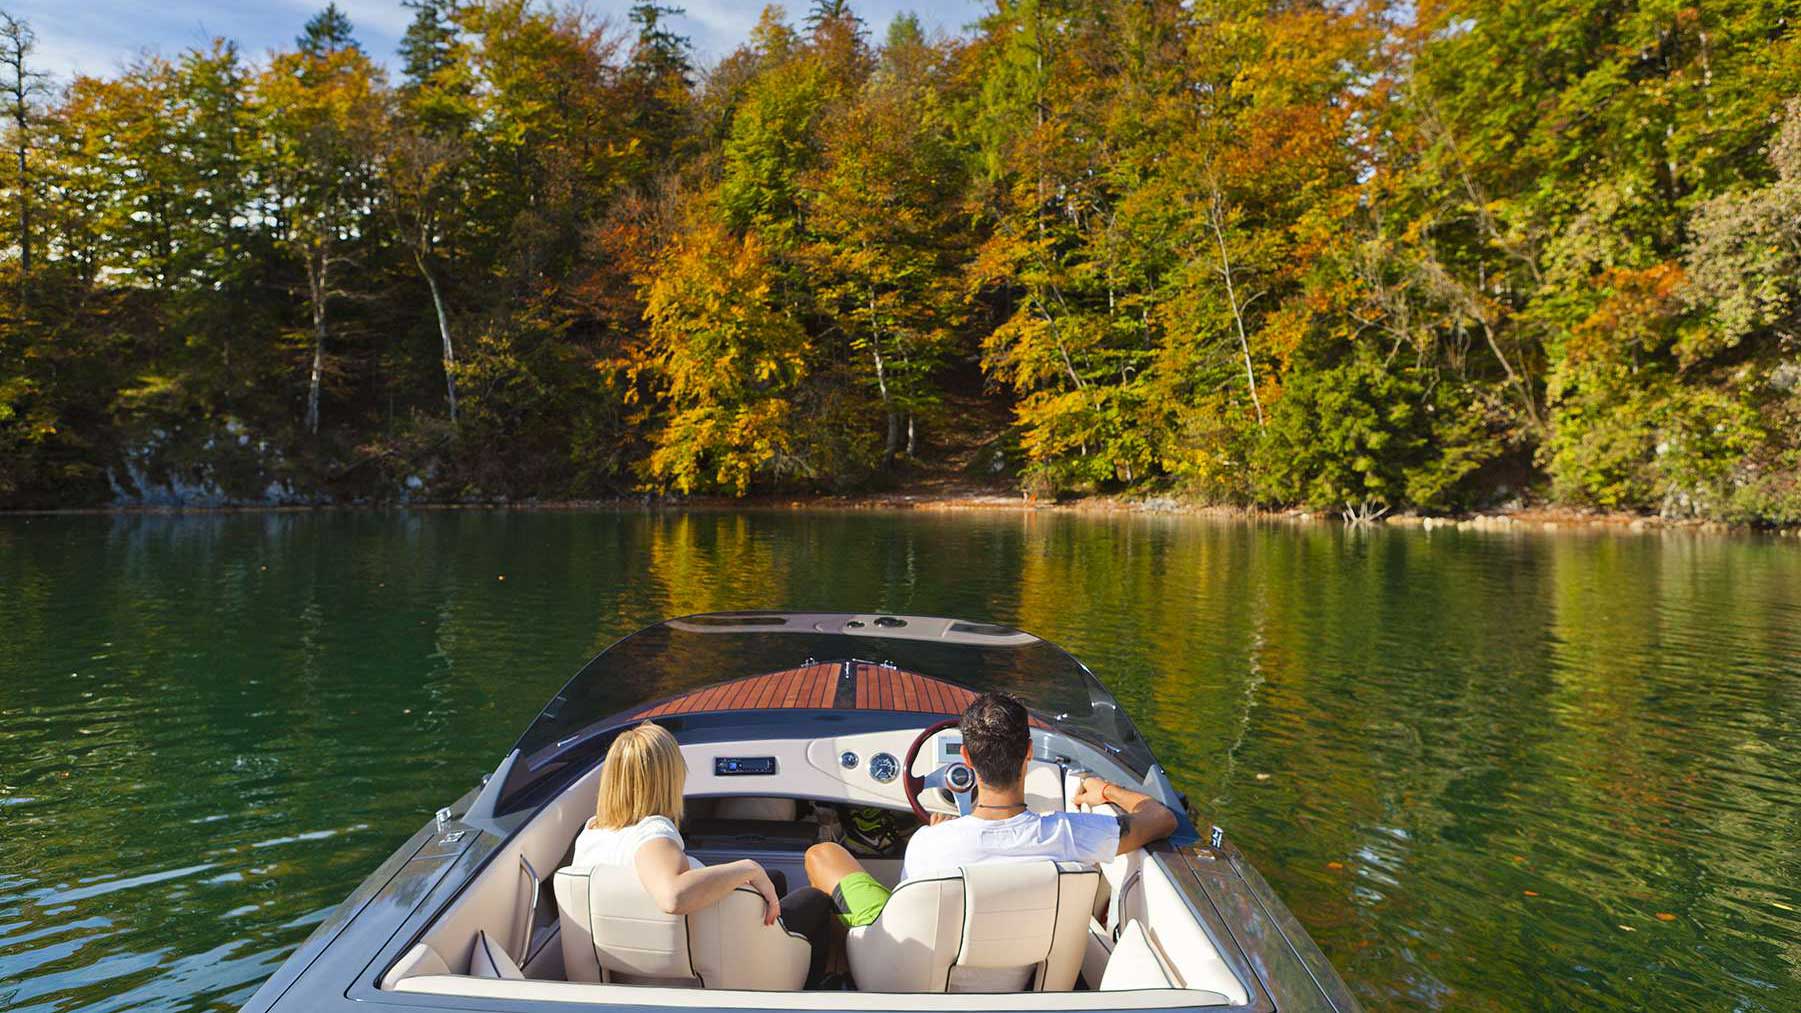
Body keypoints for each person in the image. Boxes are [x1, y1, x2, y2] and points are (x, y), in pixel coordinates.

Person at [803, 691, 1179, 931]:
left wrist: (945, 830)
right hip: (1026, 978)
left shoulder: (928, 844)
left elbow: (908, 914)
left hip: (916, 972)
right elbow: (1162, 818)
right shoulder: (1071, 834)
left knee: (824, 854)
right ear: (1029, 753)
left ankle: (839, 962)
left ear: (965, 757)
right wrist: (1106, 790)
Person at [570, 722, 837, 988]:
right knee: (815, 899)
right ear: (669, 778)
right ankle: (813, 991)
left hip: (632, 967)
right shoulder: (652, 832)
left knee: (774, 878)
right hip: (725, 964)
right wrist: (748, 868)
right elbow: (672, 896)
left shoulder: (592, 832)